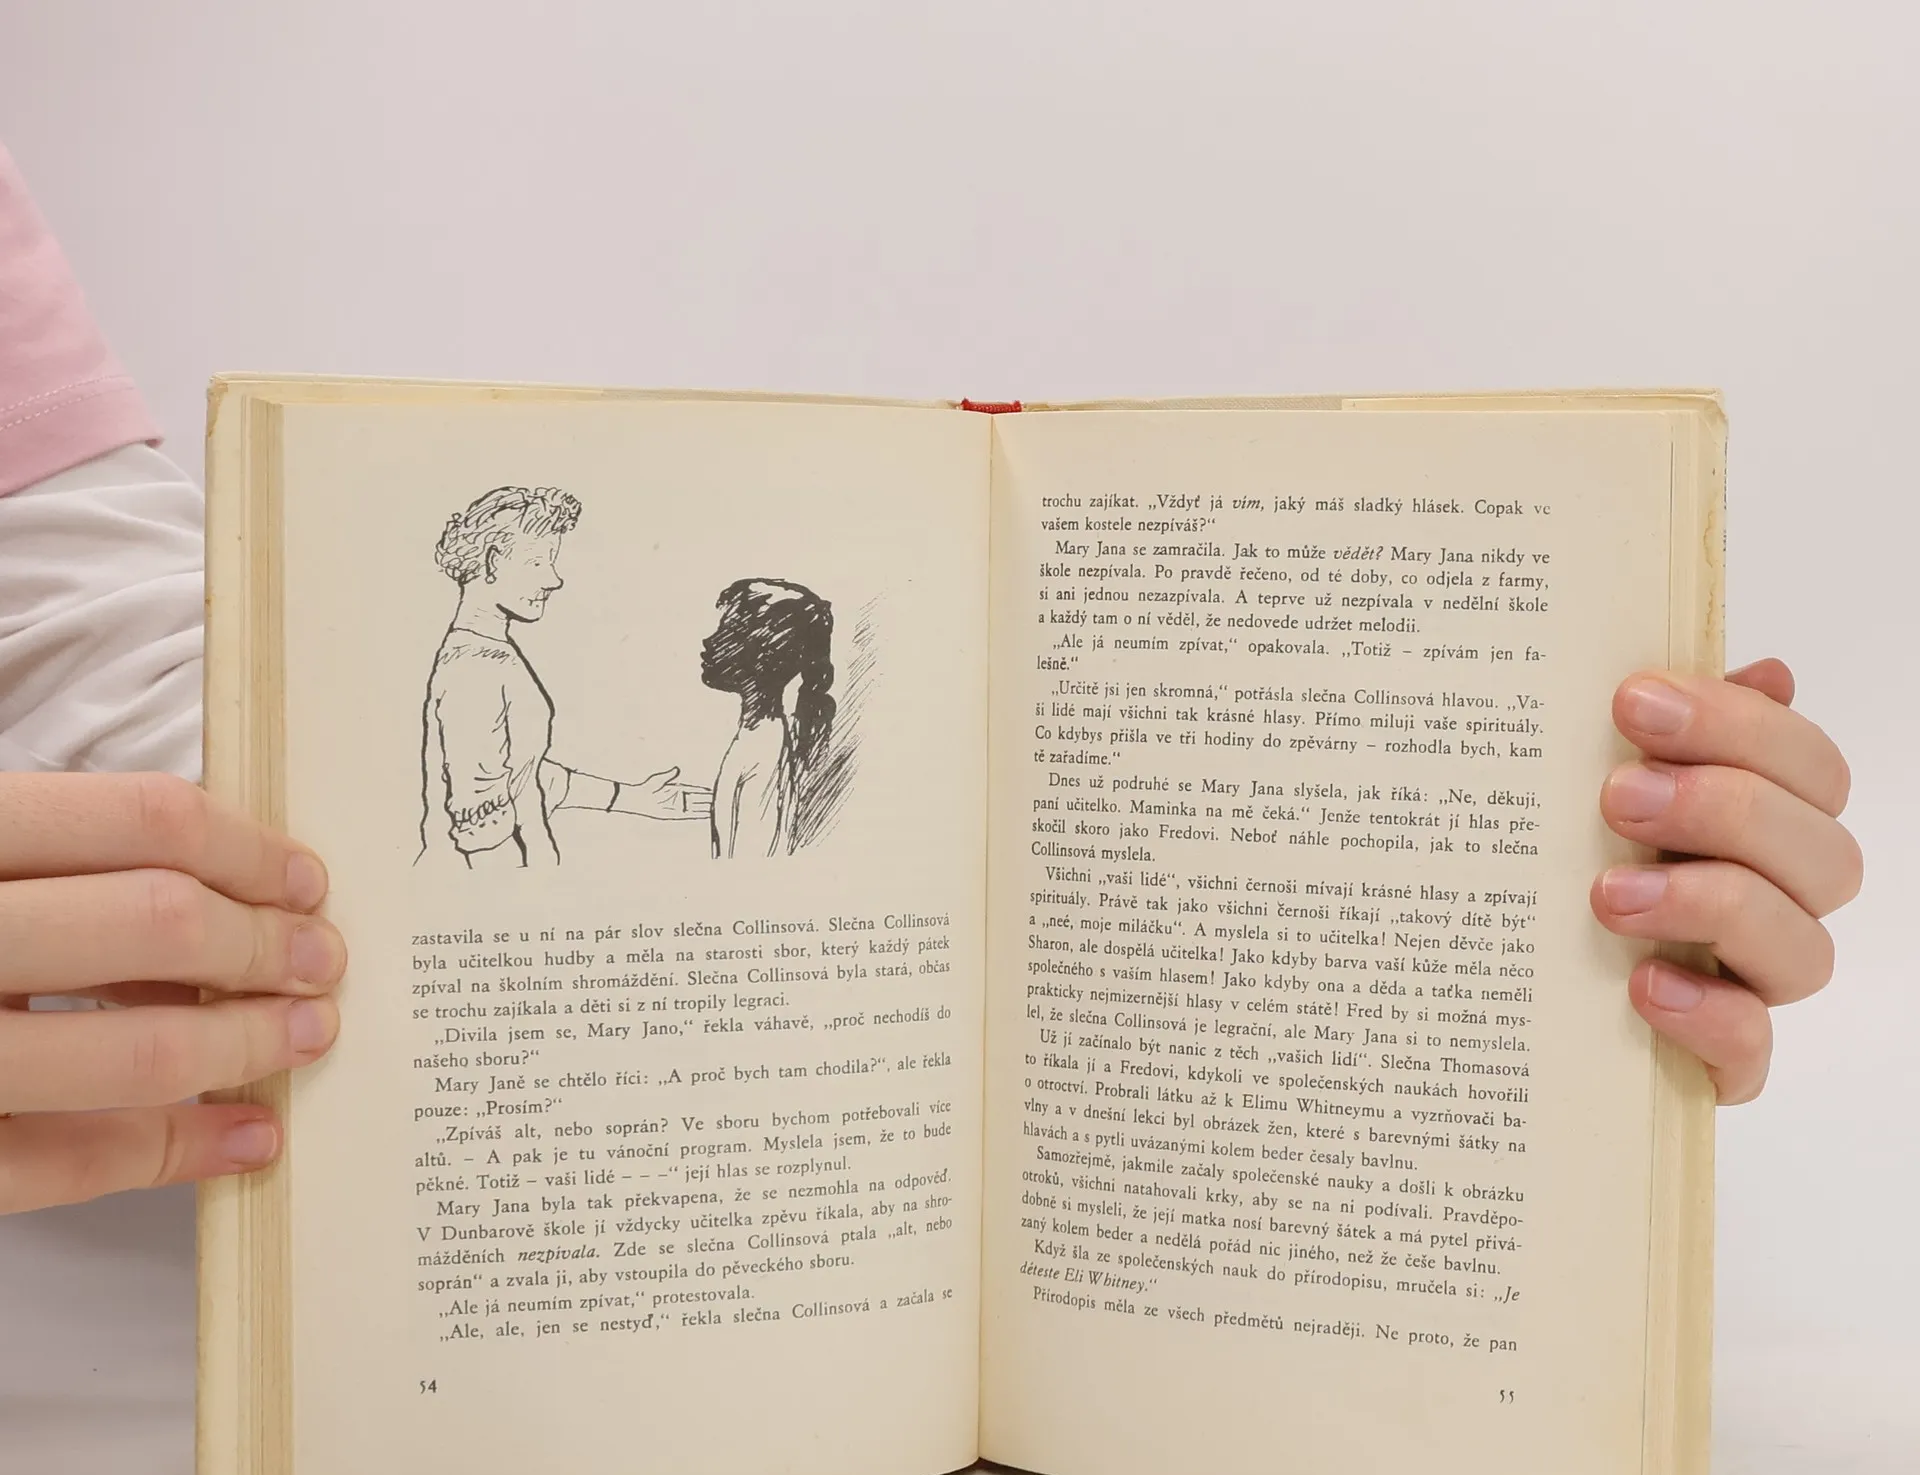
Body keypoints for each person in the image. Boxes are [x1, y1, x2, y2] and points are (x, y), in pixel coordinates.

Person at [0, 142, 1863, 1216]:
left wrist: (1471, 911)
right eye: (543, 559)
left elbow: (88, 660)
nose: (572, 584)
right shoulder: (492, 675)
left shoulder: (612, 707)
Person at [421, 486, 709, 866]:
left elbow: (516, 773)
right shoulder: (477, 667)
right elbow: (477, 825)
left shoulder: (484, 654)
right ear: (492, 563)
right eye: (537, 563)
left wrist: (629, 797)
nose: (554, 580)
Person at [699, 577, 836, 857]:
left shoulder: (762, 753)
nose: (709, 640)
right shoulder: (756, 741)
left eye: (728, 632)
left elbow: (750, 871)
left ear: (761, 651)